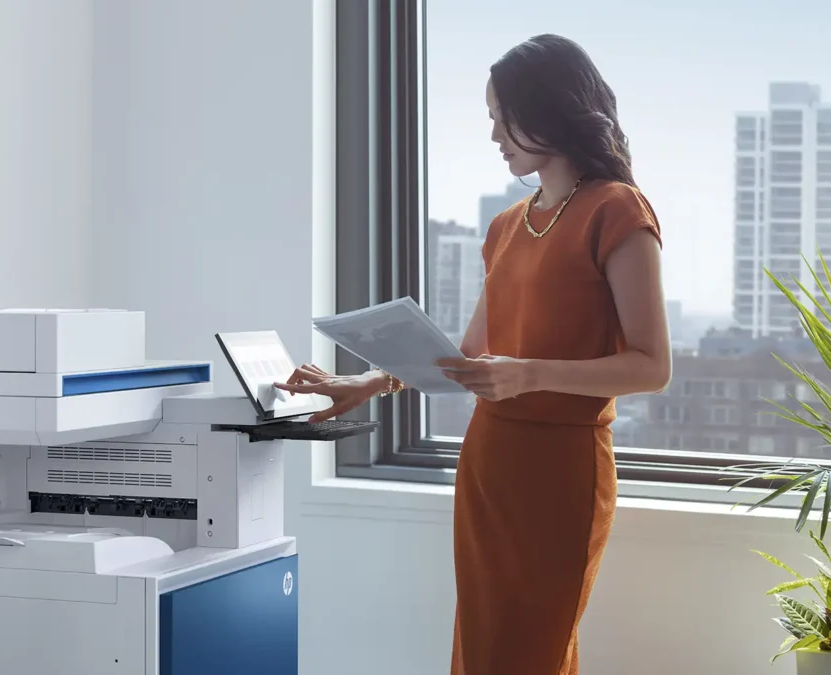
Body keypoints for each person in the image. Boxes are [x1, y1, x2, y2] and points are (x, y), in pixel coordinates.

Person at [277, 33, 671, 675]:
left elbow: (652, 366)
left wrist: (528, 374)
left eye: (502, 116)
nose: (494, 135)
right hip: (489, 463)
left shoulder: (617, 210)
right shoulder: (507, 226)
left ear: (549, 107)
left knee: (532, 653)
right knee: (483, 652)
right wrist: (368, 383)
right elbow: (465, 357)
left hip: (562, 470)